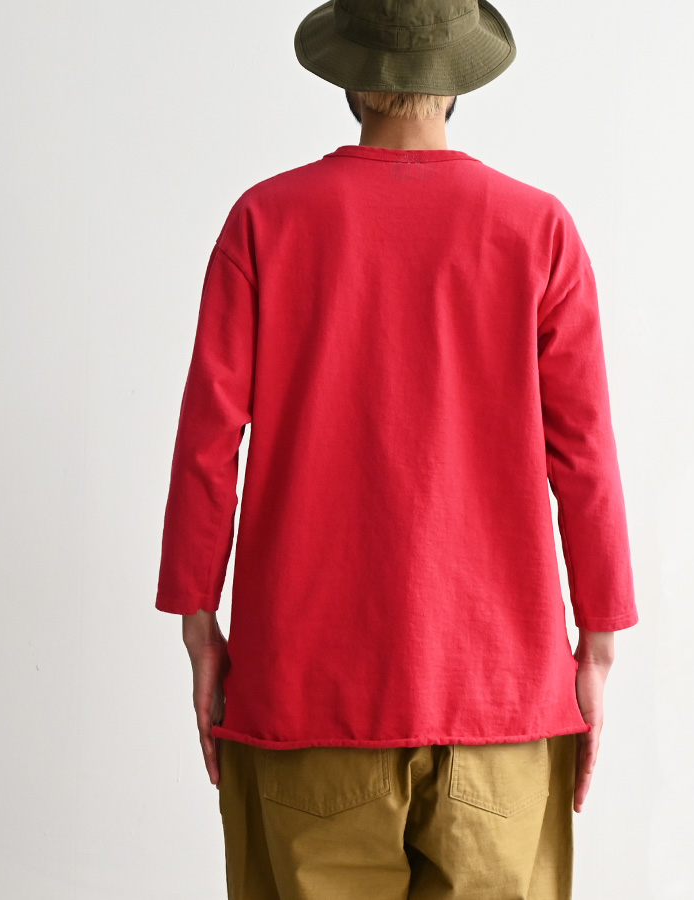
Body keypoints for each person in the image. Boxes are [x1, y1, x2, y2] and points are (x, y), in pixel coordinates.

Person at [155, 1, 639, 897]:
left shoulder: (266, 221)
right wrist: (598, 644)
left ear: (349, 77)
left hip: (303, 698)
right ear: (457, 82)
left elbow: (207, 443)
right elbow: (587, 457)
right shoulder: (538, 230)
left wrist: (198, 623)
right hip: (498, 697)